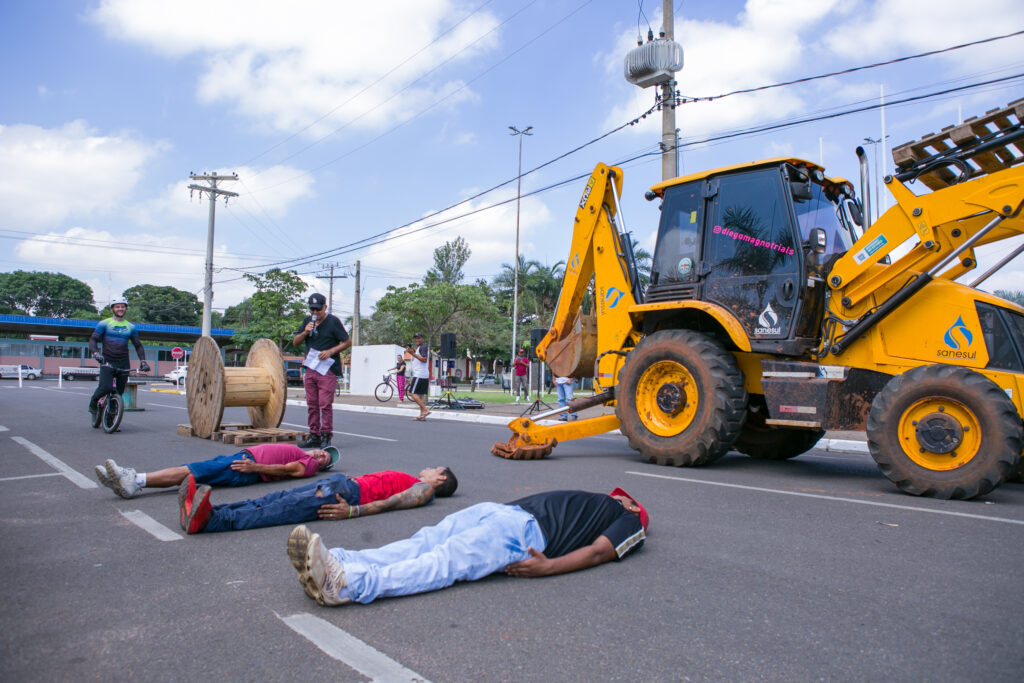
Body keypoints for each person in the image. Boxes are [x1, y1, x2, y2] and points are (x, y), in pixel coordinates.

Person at [287, 487, 648, 607]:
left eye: (628, 499)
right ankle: (341, 560)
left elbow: (601, 551)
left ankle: (348, 584)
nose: (621, 497)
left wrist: (550, 567)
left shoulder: (632, 521)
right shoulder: (600, 500)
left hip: (526, 534)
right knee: (424, 541)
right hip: (504, 513)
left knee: (444, 561)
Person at [179, 465, 457, 534]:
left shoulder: (425, 489)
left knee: (279, 509)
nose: (429, 468)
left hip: (343, 496)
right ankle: (207, 511)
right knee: (273, 498)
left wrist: (353, 512)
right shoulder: (413, 479)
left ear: (441, 478)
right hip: (341, 485)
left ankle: (209, 522)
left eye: (436, 468)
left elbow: (395, 501)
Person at [95, 443, 339, 499]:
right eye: (321, 451)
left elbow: (287, 470)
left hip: (246, 466)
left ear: (322, 466)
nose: (319, 455)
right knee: (195, 472)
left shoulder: (307, 466)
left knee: (193, 470)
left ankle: (133, 480)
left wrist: (254, 467)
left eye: (324, 459)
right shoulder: (303, 452)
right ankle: (131, 482)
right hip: (243, 460)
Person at [293, 293, 351, 448]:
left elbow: (347, 341)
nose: (315, 312)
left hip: (327, 369)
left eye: (318, 309)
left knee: (324, 404)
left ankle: (326, 435)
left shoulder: (333, 322)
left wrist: (331, 351)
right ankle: (314, 435)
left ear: (325, 307)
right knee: (311, 404)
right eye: (312, 309)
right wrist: (305, 332)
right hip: (310, 368)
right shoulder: (307, 321)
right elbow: (295, 342)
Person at [87, 297, 150, 420]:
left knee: (119, 393)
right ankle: (93, 403)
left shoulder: (131, 327)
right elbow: (93, 339)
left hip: (123, 362)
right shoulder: (104, 324)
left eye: (123, 306)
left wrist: (143, 361)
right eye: (117, 306)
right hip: (107, 361)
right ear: (112, 309)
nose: (120, 309)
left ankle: (111, 421)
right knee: (105, 387)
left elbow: (138, 345)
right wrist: (96, 353)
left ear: (126, 308)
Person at [406, 333, 431, 421]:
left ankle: (425, 410)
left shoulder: (423, 347)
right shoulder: (420, 348)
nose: (416, 340)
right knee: (420, 395)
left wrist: (412, 354)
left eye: (418, 338)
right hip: (423, 374)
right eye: (415, 338)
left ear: (422, 339)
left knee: (411, 393)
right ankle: (422, 416)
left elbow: (424, 360)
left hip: (420, 374)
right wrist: (412, 351)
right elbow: (419, 357)